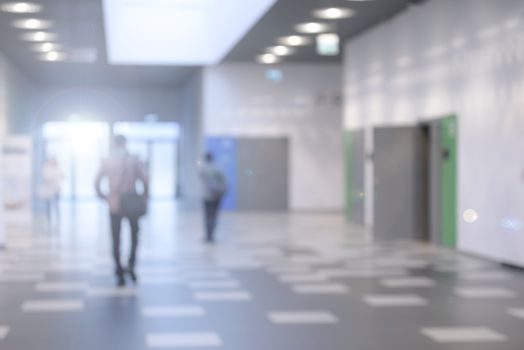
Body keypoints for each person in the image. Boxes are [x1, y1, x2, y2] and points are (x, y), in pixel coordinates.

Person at [95, 135, 149, 287]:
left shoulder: (107, 160)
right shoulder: (133, 159)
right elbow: (145, 179)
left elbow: (96, 183)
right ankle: (131, 266)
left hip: (114, 204)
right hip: (132, 203)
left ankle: (119, 271)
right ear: (125, 143)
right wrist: (144, 197)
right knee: (134, 236)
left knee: (116, 239)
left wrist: (106, 197)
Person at [199, 152, 227, 243]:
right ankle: (212, 235)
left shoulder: (203, 168)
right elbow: (224, 181)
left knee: (207, 216)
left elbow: (200, 176)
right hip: (216, 196)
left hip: (207, 196)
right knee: (214, 216)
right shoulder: (218, 168)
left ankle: (208, 235)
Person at [38, 157, 64, 229]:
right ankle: (48, 218)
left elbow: (62, 176)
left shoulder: (58, 168)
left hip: (56, 189)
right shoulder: (46, 168)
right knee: (48, 205)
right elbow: (46, 177)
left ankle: (58, 218)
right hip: (48, 190)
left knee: (56, 204)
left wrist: (56, 180)